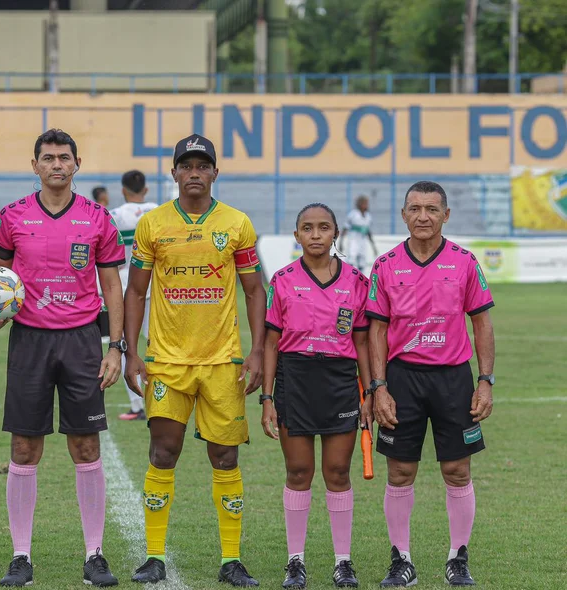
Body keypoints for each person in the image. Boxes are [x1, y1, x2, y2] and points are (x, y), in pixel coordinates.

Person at [124, 134, 266, 587]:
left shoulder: (237, 223)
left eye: (202, 166)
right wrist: (131, 351)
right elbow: (135, 290)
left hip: (223, 361)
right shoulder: (153, 225)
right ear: (174, 173)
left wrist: (258, 350)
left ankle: (231, 560)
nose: (194, 174)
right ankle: (153, 556)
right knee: (163, 453)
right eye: (186, 166)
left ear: (214, 173)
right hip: (166, 362)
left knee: (225, 458)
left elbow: (254, 290)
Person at [0, 128, 125, 588]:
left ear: (77, 164)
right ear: (35, 166)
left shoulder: (98, 218)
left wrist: (116, 347)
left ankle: (94, 555)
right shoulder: (11, 217)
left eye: (64, 158)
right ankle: (21, 556)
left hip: (82, 341)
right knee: (25, 447)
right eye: (48, 158)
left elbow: (112, 287)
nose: (57, 165)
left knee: (85, 445)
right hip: (29, 339)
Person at [366, 181, 494, 588]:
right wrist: (379, 386)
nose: (423, 216)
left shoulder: (464, 262)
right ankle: (401, 559)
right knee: (400, 470)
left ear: (446, 215)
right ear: (403, 215)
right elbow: (377, 331)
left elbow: (482, 324)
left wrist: (485, 381)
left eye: (432, 209)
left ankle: (458, 557)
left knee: (457, 469)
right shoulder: (385, 265)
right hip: (401, 379)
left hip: (454, 378)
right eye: (415, 209)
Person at [260, 203, 373, 589]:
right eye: (307, 228)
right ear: (296, 236)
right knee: (298, 472)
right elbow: (271, 343)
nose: (315, 234)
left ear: (336, 233)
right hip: (295, 378)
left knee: (338, 472)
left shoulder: (357, 281)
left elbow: (361, 342)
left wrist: (370, 391)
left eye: (323, 227)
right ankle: (296, 561)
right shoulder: (282, 279)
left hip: (340, 380)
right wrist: (267, 398)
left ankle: (343, 561)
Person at [110, 170, 157, 421]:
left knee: (127, 343)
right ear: (146, 189)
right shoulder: (158, 210)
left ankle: (137, 405)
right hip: (156, 284)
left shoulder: (115, 215)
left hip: (128, 283)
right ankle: (160, 400)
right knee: (155, 343)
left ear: (123, 190)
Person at [339, 196, 376, 272]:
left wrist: (373, 246)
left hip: (363, 241)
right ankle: (348, 278)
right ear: (360, 204)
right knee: (351, 259)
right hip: (353, 241)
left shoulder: (368, 216)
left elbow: (368, 232)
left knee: (362, 262)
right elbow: (345, 228)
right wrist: (341, 242)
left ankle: (361, 279)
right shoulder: (353, 215)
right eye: (365, 203)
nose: (366, 205)